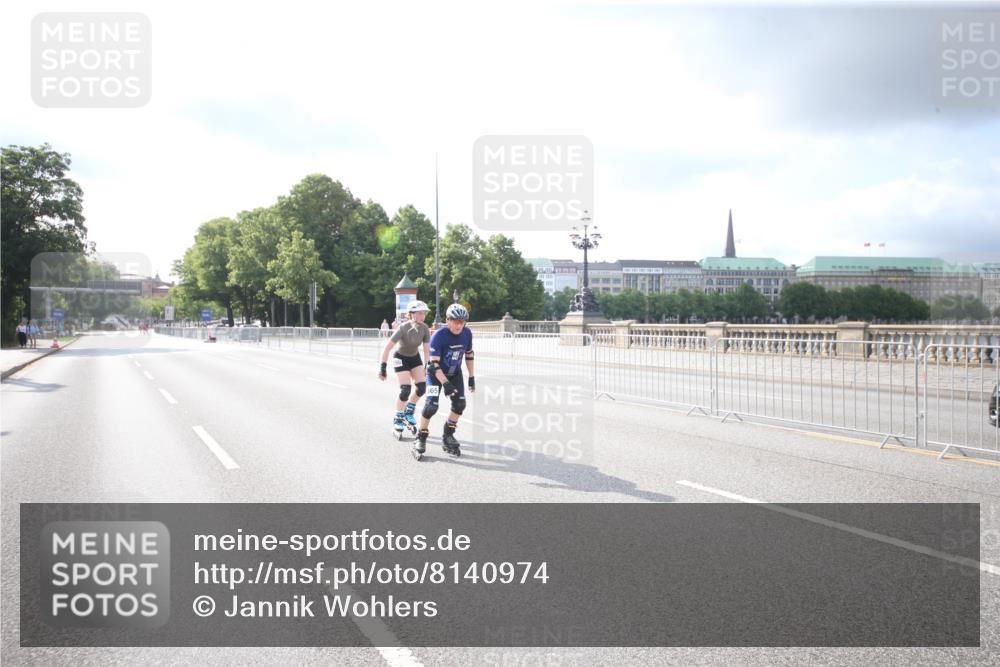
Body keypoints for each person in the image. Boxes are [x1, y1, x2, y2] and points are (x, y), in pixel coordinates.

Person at [416, 303, 475, 458]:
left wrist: (472, 377)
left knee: (460, 404)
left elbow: (469, 355)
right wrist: (445, 383)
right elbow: (434, 364)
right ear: (448, 320)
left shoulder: (467, 334)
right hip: (435, 375)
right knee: (431, 406)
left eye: (462, 322)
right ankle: (420, 437)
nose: (459, 325)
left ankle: (448, 434)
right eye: (455, 321)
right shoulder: (439, 336)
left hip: (455, 374)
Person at [378, 300, 431, 434]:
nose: (422, 316)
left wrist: (427, 365)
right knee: (406, 389)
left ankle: (409, 410)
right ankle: (398, 417)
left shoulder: (424, 328)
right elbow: (387, 348)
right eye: (419, 313)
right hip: (400, 358)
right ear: (411, 314)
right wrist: (383, 368)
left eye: (424, 313)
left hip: (414, 358)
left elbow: (426, 350)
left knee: (422, 388)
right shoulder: (403, 328)